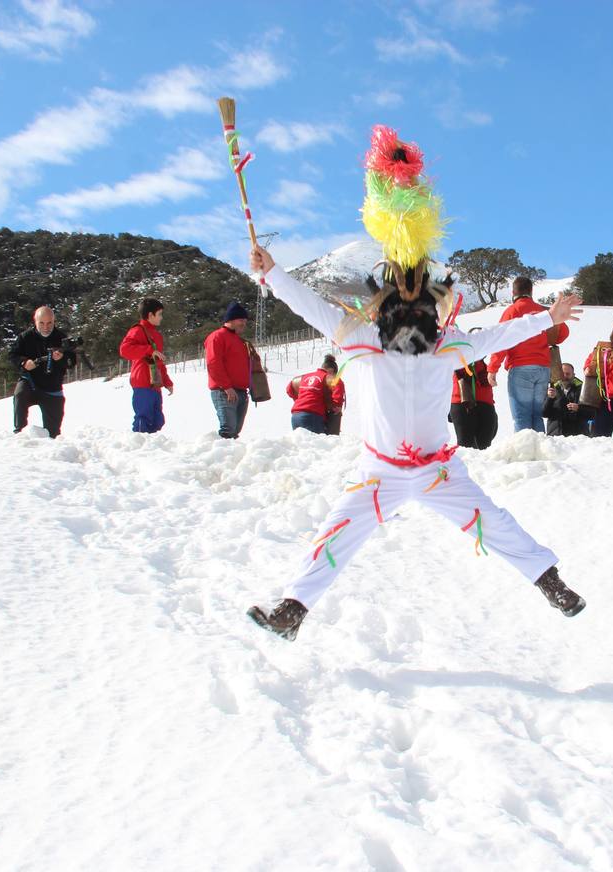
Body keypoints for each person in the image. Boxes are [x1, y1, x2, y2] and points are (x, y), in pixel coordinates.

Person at [244, 123, 587, 641]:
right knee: (335, 535)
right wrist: (272, 274)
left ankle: (550, 580)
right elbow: (312, 307)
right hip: (377, 473)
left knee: (491, 522)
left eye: (421, 305)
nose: (413, 313)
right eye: (402, 306)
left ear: (432, 311)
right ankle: (292, 609)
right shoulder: (362, 340)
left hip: (437, 472)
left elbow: (498, 335)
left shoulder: (448, 347)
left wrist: (547, 317)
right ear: (386, 311)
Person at [488, 276, 569, 433]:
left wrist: (493, 368)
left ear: (513, 292)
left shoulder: (512, 311)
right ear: (531, 291)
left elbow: (501, 340)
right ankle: (539, 452)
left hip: (520, 368)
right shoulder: (543, 311)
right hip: (543, 369)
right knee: (536, 415)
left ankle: (524, 454)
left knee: (521, 416)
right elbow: (563, 333)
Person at [9, 306, 77, 438]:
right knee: (20, 394)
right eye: (42, 323)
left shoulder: (62, 338)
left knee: (53, 434)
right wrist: (24, 362)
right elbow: (13, 355)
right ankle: (19, 434)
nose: (46, 327)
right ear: (35, 321)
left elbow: (72, 361)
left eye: (49, 323)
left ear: (54, 321)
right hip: (30, 382)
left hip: (52, 386)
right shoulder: (25, 337)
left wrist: (62, 358)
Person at [118, 299, 174, 433]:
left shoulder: (157, 335)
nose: (162, 317)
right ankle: (139, 448)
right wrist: (149, 350)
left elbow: (159, 361)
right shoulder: (137, 330)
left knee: (158, 420)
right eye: (159, 314)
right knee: (143, 419)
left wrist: (167, 381)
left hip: (155, 382)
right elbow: (124, 350)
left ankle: (152, 449)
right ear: (150, 315)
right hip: (142, 382)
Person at [204, 302, 252, 439]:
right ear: (230, 319)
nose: (243, 323)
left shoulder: (240, 341)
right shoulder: (217, 337)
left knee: (235, 431)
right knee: (228, 429)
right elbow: (213, 364)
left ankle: (230, 457)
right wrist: (226, 387)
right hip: (225, 392)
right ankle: (220, 457)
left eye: (245, 320)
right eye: (240, 320)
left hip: (241, 392)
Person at [450, 329, 498, 449]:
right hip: (462, 405)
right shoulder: (457, 360)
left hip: (485, 406)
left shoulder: (485, 367)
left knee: (484, 447)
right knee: (466, 447)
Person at [286, 355, 343, 434]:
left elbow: (289, 389)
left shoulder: (305, 377)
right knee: (317, 445)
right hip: (313, 417)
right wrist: (337, 405)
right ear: (331, 371)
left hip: (295, 417)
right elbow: (338, 383)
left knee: (301, 444)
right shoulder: (328, 377)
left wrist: (300, 400)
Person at [543, 363, 590, 437]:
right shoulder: (551, 388)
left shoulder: (584, 389)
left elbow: (592, 414)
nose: (564, 376)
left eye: (567, 374)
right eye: (562, 374)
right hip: (556, 437)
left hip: (578, 439)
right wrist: (550, 399)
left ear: (573, 375)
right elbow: (544, 414)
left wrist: (579, 408)